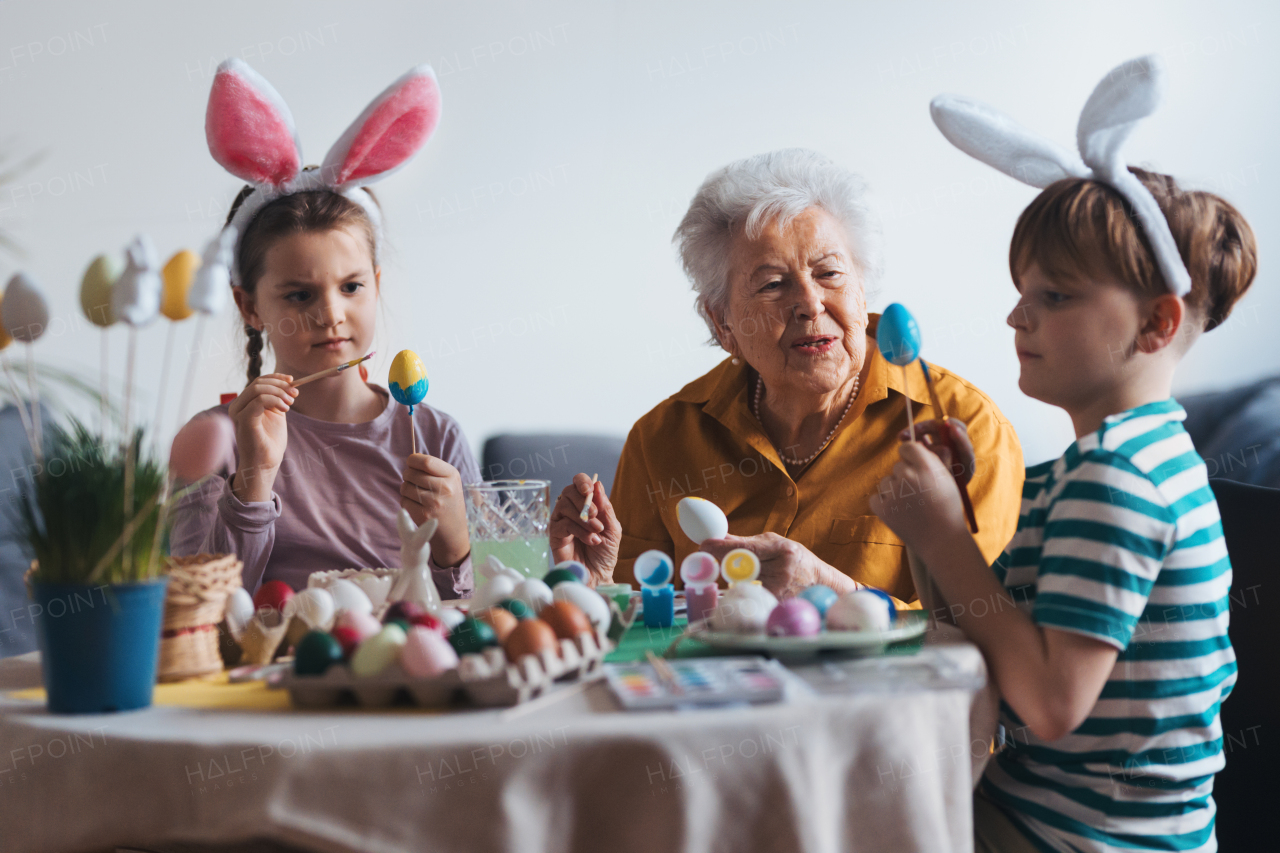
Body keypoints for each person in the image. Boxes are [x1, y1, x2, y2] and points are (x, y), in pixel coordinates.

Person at [874, 74, 1257, 852]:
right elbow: (974, 638)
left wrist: (949, 537)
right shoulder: (1098, 467)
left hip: (1080, 836)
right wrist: (931, 526)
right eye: (1023, 291)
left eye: (1055, 296)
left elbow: (1048, 705)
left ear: (1156, 321)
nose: (1017, 314)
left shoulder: (1120, 480)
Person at [551, 149, 1024, 603]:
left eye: (830, 274)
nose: (810, 304)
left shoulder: (964, 430)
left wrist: (837, 595)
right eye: (773, 284)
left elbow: (982, 629)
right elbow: (646, 643)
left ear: (862, 291)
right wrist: (597, 587)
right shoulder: (661, 442)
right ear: (722, 324)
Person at [171, 60, 477, 599]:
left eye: (352, 287)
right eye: (299, 294)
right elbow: (203, 611)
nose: (331, 313)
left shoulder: (436, 438)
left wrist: (456, 548)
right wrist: (255, 481)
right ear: (248, 306)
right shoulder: (217, 441)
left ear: (377, 285)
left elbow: (484, 613)